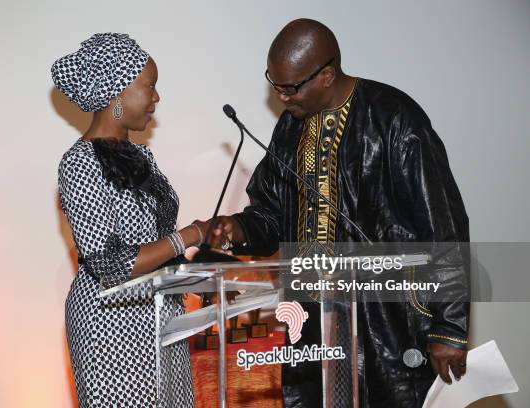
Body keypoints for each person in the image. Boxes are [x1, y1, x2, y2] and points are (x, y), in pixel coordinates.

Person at [208, 19, 470, 407]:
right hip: (313, 324)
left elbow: (443, 224)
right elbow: (270, 214)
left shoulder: (394, 119)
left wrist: (449, 328)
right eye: (274, 84)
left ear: (327, 75)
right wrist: (237, 229)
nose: (281, 97)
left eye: (290, 87)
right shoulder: (290, 130)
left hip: (389, 322)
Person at [53, 33, 207, 407]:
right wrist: (187, 235)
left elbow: (155, 239)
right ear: (117, 91)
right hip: (111, 325)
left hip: (158, 317)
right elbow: (110, 263)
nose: (156, 97)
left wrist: (199, 268)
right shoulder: (80, 163)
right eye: (150, 86)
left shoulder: (141, 157)